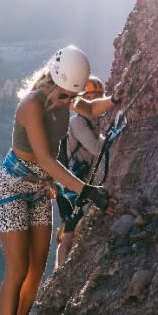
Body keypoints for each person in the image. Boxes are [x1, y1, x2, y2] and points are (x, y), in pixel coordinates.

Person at [0, 46, 118, 315]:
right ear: (53, 83)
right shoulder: (31, 105)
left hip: (40, 187)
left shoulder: (68, 98)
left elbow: (90, 108)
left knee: (36, 268)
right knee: (17, 268)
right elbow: (45, 157)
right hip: (12, 186)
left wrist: (118, 100)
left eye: (70, 97)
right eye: (63, 97)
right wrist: (86, 190)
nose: (66, 103)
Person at [55, 76, 107, 268]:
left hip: (75, 182)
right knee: (69, 231)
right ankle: (58, 276)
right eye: (91, 97)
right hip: (70, 185)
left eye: (98, 96)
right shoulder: (77, 122)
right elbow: (95, 149)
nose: (94, 101)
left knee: (73, 228)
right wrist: (109, 137)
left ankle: (61, 272)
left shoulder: (90, 121)